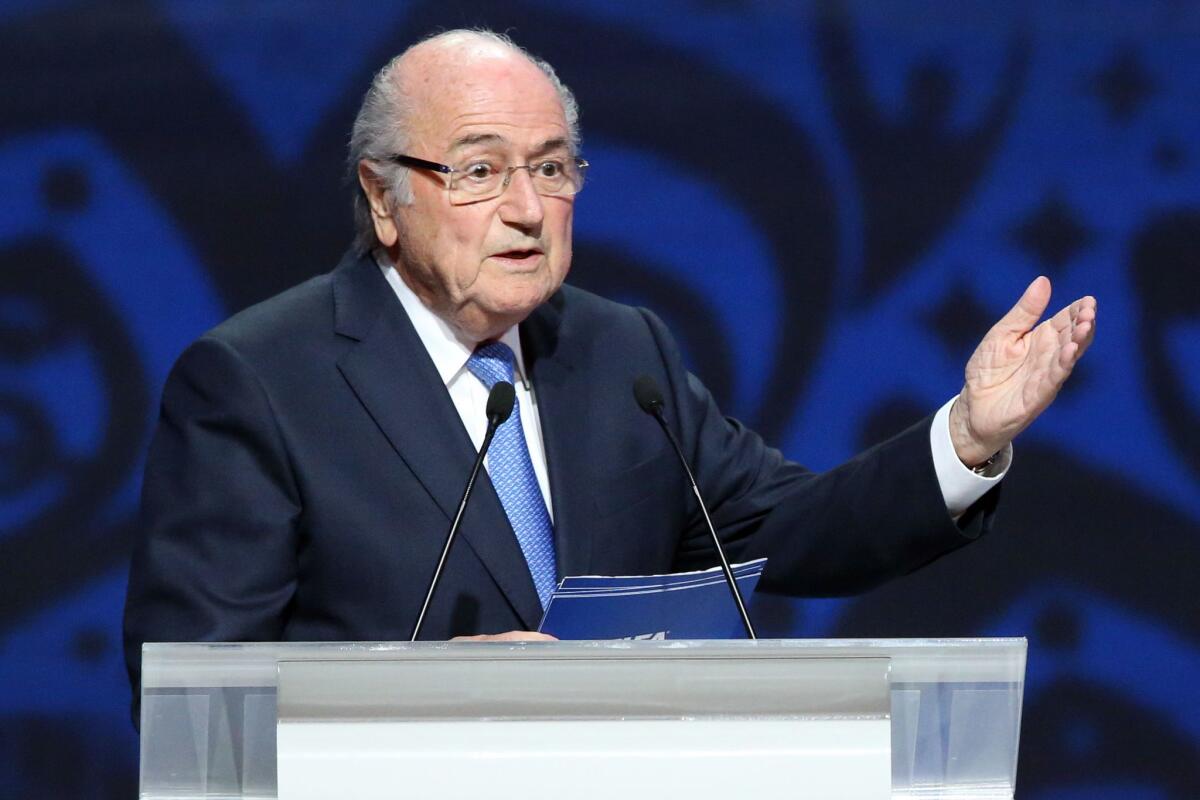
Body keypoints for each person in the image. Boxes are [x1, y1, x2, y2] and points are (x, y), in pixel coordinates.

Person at [123, 30, 1095, 701]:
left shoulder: (621, 351)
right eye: (478, 169)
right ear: (384, 198)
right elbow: (200, 689)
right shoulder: (258, 382)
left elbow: (787, 531)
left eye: (552, 167)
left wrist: (965, 437)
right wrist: (422, 689)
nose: (527, 206)